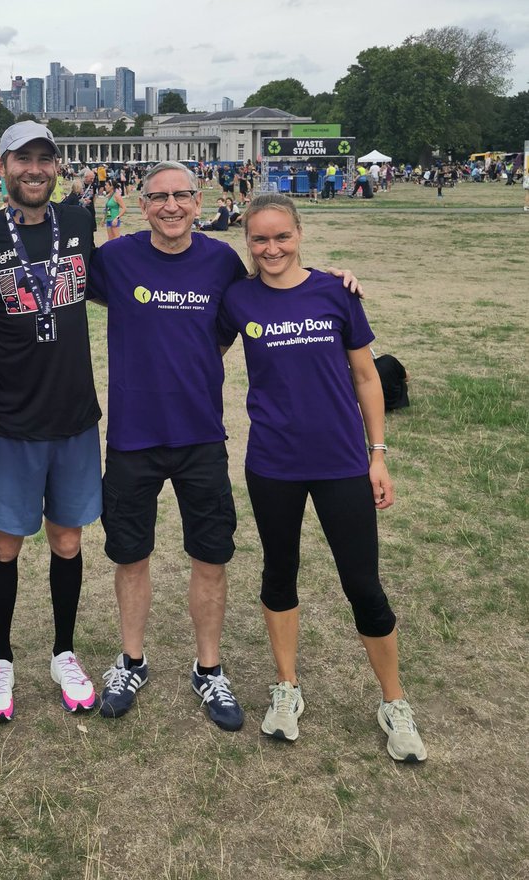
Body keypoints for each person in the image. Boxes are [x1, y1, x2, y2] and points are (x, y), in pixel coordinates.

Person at [219, 193, 427, 763]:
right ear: (248, 243)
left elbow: (366, 376)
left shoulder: (336, 291)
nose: (271, 248)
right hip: (273, 464)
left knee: (363, 584)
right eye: (259, 239)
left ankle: (394, 701)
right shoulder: (237, 298)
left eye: (281, 236)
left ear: (299, 233)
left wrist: (377, 454)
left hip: (341, 462)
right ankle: (286, 688)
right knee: (279, 571)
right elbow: (198, 347)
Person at [89, 162, 249, 730]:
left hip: (201, 435)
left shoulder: (222, 261)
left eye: (182, 195)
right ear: (141, 202)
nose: (171, 206)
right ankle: (132, 660)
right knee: (130, 554)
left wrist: (335, 276)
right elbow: (47, 274)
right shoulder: (115, 259)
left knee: (211, 554)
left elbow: (254, 304)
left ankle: (209, 670)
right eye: (159, 197)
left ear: (198, 199)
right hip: (133, 436)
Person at [0, 122, 101, 722]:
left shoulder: (80, 224)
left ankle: (64, 651)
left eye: (45, 158)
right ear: (2, 164)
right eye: (23, 159)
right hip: (10, 421)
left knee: (68, 541)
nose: (35, 169)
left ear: (56, 166)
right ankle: (0, 657)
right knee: (6, 545)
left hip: (73, 417)